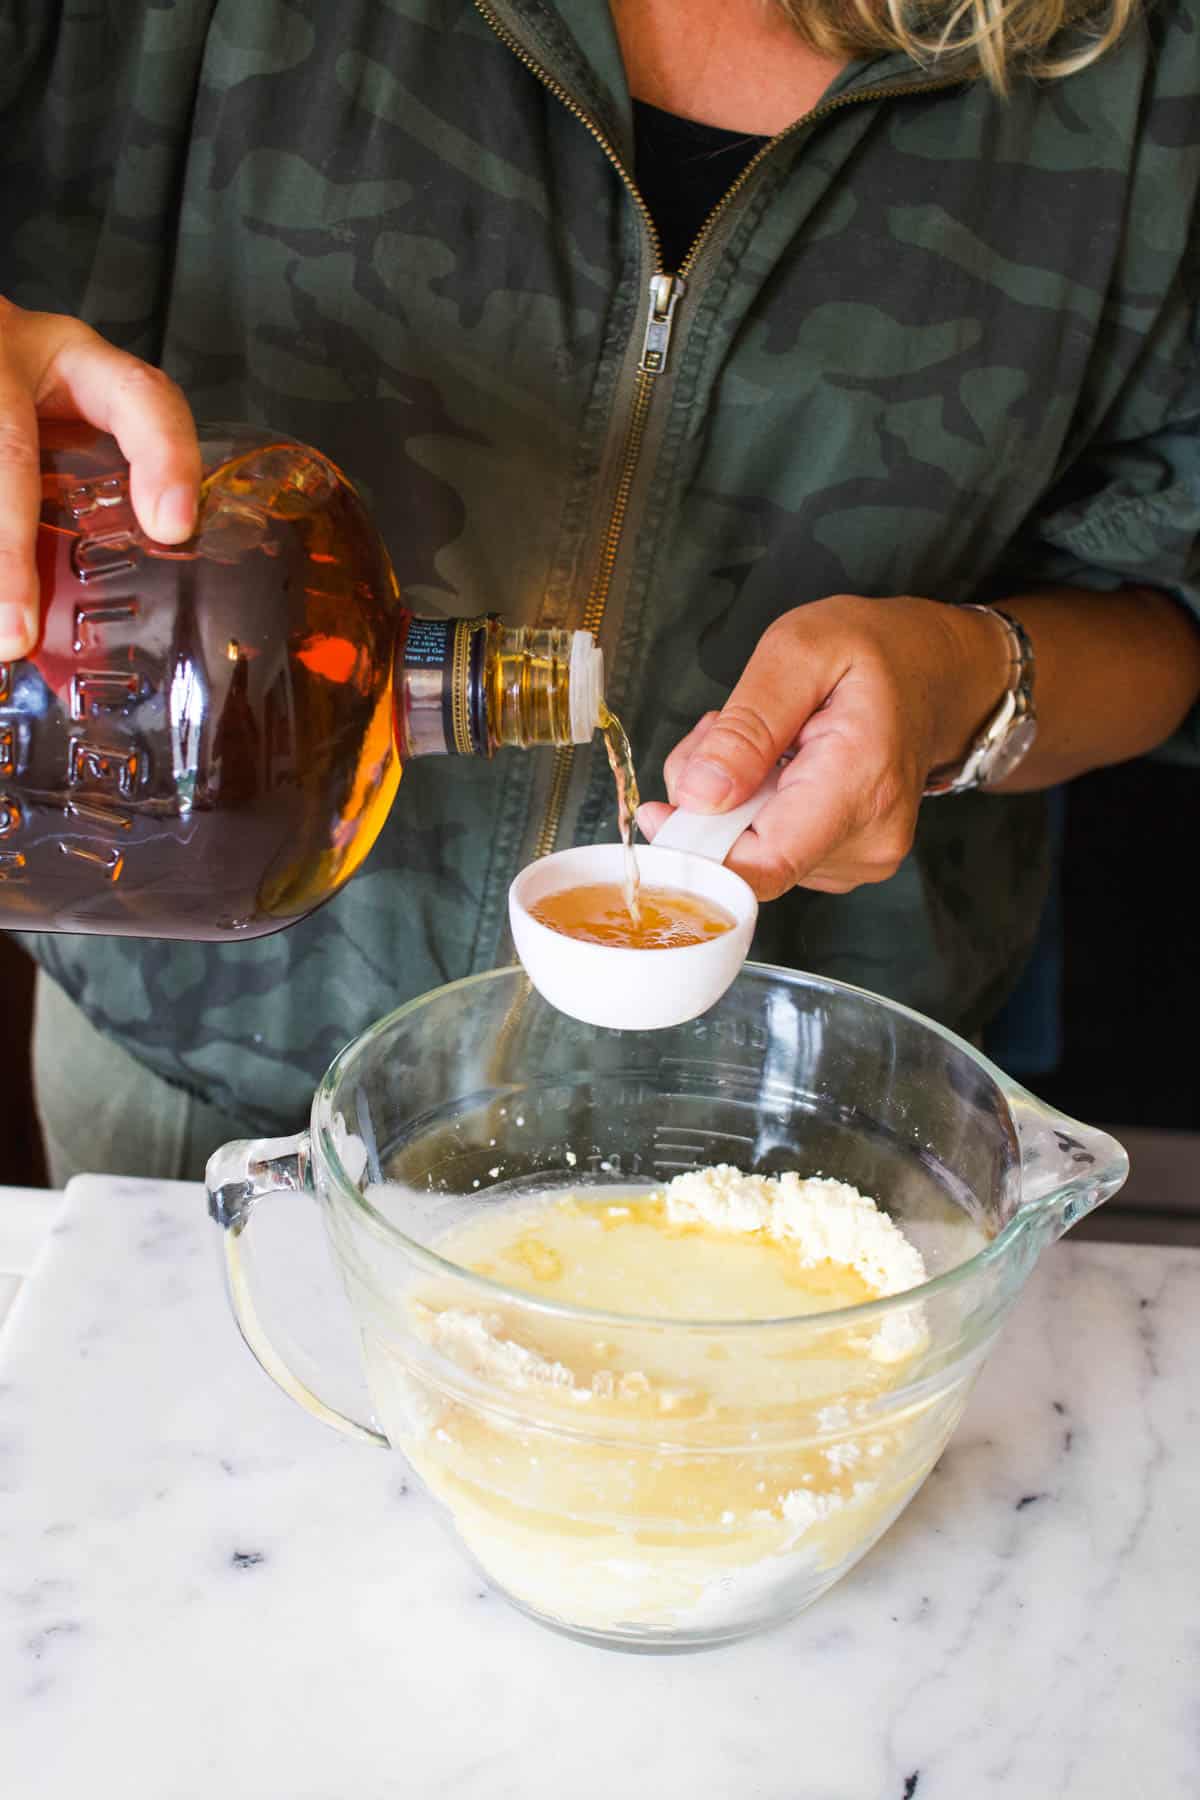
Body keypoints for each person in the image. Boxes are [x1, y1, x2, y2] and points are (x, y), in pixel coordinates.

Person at [1, 0, 1197, 1186]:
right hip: (211, 1107)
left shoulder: (1145, 63)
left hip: (796, 1124)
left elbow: (1168, 607)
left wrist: (967, 683)